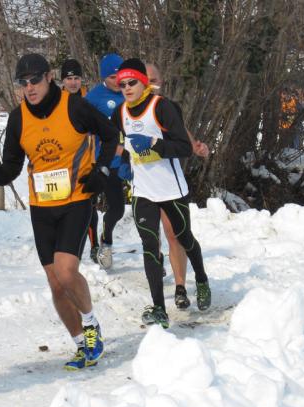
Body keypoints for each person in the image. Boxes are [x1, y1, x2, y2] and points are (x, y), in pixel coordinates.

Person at [0, 53, 119, 370]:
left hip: (76, 198)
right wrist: (0, 175)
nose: (29, 87)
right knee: (56, 283)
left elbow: (110, 134)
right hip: (42, 205)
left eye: (34, 80)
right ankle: (79, 344)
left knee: (67, 271)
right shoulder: (18, 119)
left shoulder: (74, 106)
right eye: (22, 82)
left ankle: (91, 325)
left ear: (49, 77)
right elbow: (14, 164)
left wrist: (101, 170)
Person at [110, 58, 211, 327]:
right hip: (143, 191)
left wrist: (154, 143)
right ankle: (159, 308)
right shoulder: (120, 113)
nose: (127, 88)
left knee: (184, 238)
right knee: (150, 246)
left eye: (132, 82)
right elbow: (118, 141)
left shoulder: (162, 107)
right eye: (122, 84)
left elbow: (184, 148)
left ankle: (200, 278)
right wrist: (120, 164)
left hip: (170, 189)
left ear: (143, 82)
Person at [146, 62, 210, 309]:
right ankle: (162, 298)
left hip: (170, 182)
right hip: (144, 185)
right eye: (146, 79)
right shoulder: (128, 110)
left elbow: (182, 132)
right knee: (152, 239)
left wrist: (196, 146)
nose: (151, 84)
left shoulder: (167, 107)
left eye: (155, 80)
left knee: (176, 235)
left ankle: (185, 285)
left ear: (161, 83)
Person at [85, 53, 130, 269]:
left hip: (124, 161)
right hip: (100, 162)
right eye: (113, 77)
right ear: (104, 77)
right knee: (90, 207)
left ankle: (106, 235)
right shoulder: (94, 98)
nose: (118, 81)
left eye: (120, 76)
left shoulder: (130, 93)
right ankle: (100, 246)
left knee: (119, 210)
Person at [60, 59, 99, 262]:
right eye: (69, 78)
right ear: (62, 81)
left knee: (89, 206)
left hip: (88, 162)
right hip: (65, 164)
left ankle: (94, 247)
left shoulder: (89, 99)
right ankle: (67, 246)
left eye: (76, 78)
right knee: (66, 206)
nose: (73, 82)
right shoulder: (58, 101)